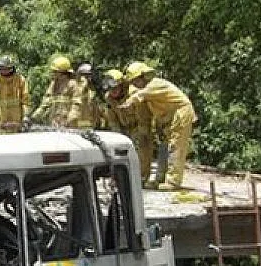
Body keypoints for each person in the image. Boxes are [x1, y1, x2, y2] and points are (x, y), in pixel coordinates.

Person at [119, 62, 197, 190]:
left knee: (175, 147)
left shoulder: (155, 84)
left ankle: (173, 181)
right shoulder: (149, 89)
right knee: (164, 147)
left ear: (143, 77)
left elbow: (139, 96)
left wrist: (127, 104)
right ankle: (160, 178)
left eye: (135, 81)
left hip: (181, 113)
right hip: (169, 117)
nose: (134, 84)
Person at [101, 69, 155, 185]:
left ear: (122, 85)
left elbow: (144, 115)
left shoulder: (134, 94)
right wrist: (117, 134)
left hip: (138, 126)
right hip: (123, 128)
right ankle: (119, 177)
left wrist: (142, 132)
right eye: (110, 89)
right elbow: (112, 118)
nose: (113, 92)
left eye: (115, 88)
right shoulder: (109, 98)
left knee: (142, 148)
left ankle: (141, 178)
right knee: (118, 150)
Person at [0, 55, 31, 133]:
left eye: (6, 68)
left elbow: (25, 101)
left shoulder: (20, 80)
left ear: (12, 68)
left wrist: (26, 116)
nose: (4, 71)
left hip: (16, 123)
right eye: (2, 68)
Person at [32, 56, 78, 127]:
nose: (53, 73)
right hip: (54, 123)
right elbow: (45, 103)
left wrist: (69, 120)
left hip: (68, 125)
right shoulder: (53, 84)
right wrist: (33, 117)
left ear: (62, 72)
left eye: (55, 71)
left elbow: (76, 105)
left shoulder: (73, 84)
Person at [70, 62, 101, 129]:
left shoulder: (92, 92)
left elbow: (96, 111)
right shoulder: (74, 88)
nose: (88, 78)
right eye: (85, 75)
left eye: (89, 76)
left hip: (89, 129)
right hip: (75, 128)